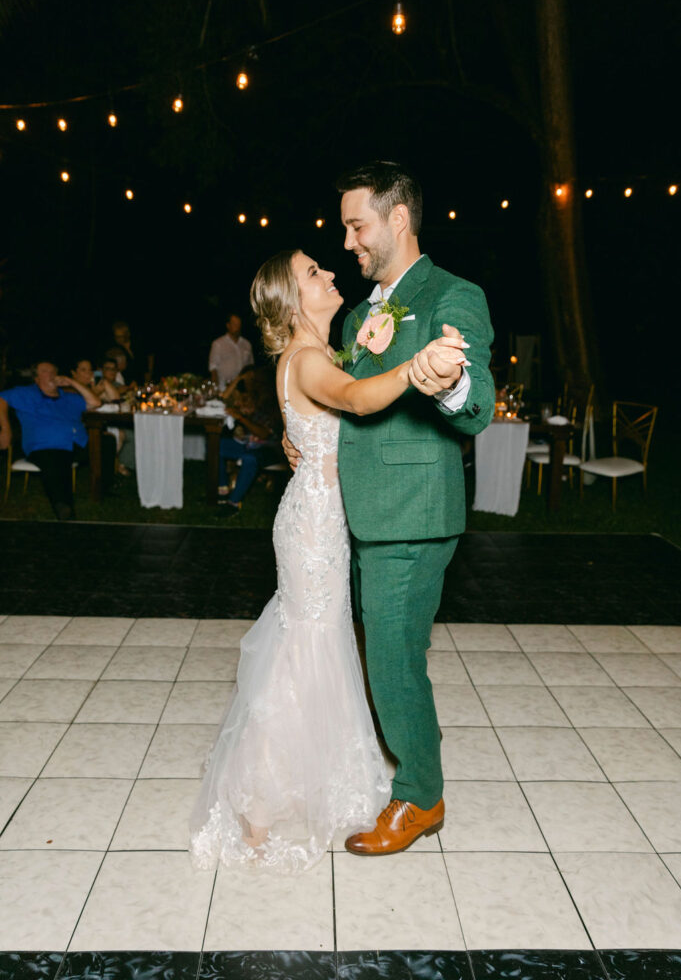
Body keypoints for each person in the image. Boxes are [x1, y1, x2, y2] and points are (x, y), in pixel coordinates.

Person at [188, 249, 467, 873]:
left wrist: (302, 441)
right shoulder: (311, 359)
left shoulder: (314, 353)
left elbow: (327, 418)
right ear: (292, 302)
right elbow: (359, 401)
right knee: (303, 651)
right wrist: (417, 367)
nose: (331, 275)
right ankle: (260, 807)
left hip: (320, 518)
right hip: (316, 527)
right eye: (314, 274)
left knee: (316, 643)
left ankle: (303, 780)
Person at [284, 161, 495, 855]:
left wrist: (448, 378)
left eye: (357, 225)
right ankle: (416, 777)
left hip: (411, 512)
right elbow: (351, 398)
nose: (348, 243)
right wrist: (313, 445)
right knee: (395, 652)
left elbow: (476, 401)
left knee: (392, 660)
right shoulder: (356, 313)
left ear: (396, 219)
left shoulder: (452, 294)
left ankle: (419, 800)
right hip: (361, 508)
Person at [0, 360, 116, 520]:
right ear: (36, 378)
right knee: (56, 459)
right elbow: (1, 399)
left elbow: (95, 402)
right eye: (46, 371)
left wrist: (72, 382)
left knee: (107, 442)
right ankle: (63, 507)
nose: (52, 374)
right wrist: (5, 429)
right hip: (43, 446)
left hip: (77, 442)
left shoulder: (69, 397)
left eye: (54, 371)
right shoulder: (26, 393)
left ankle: (103, 489)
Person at [216, 367, 282, 516]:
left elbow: (264, 433)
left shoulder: (271, 401)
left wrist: (240, 418)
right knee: (216, 446)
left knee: (250, 458)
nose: (247, 383)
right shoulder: (247, 397)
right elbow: (223, 399)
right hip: (247, 444)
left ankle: (233, 504)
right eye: (245, 380)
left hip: (270, 449)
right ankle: (222, 490)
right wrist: (238, 380)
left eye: (250, 380)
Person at [208, 312, 254, 389]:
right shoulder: (218, 344)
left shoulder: (247, 344)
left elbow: (251, 367)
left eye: (238, 324)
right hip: (224, 388)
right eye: (234, 324)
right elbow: (213, 368)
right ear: (228, 325)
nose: (237, 327)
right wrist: (215, 389)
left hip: (243, 389)